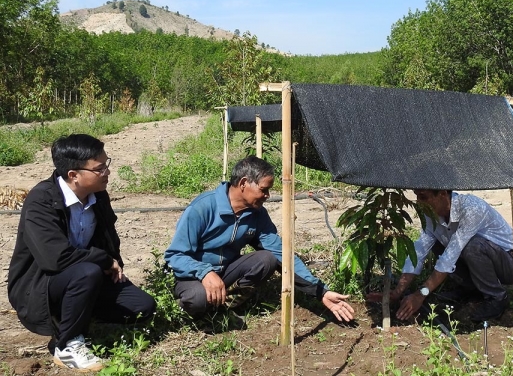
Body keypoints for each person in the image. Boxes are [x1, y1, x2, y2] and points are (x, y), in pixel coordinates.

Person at [7, 134, 156, 372]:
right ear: (73, 175)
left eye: (107, 164)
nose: (107, 172)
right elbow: (55, 258)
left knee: (142, 307)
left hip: (85, 276)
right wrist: (104, 260)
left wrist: (114, 264)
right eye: (99, 169)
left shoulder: (98, 196)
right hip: (40, 284)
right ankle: (66, 345)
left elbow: (108, 238)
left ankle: (78, 313)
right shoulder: (41, 200)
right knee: (86, 272)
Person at [164, 156, 354, 323]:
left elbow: (280, 252)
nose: (267, 196)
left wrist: (321, 291)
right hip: (193, 275)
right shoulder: (202, 208)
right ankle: (198, 309)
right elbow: (175, 255)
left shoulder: (257, 214)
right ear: (244, 183)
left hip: (226, 271)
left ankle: (225, 307)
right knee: (197, 299)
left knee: (266, 259)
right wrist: (205, 272)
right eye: (264, 190)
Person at [368, 189, 513, 322]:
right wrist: (397, 292)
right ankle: (471, 289)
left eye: (423, 197)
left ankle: (497, 297)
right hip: (480, 260)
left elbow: (449, 258)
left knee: (472, 246)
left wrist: (421, 294)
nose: (418, 203)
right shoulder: (430, 216)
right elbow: (419, 252)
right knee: (437, 243)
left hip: (509, 265)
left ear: (442, 194)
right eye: (417, 197)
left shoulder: (472, 208)